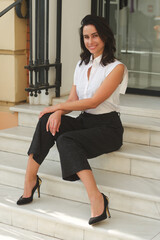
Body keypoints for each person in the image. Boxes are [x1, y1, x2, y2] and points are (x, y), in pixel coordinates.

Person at [17, 14, 128, 225]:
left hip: (108, 127)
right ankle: (30, 179)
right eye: (86, 37)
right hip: (86, 120)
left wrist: (58, 106)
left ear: (105, 36)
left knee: (66, 139)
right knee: (47, 120)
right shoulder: (82, 65)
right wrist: (58, 111)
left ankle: (97, 198)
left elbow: (94, 102)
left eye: (95, 36)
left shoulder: (116, 67)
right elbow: (74, 100)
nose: (90, 42)